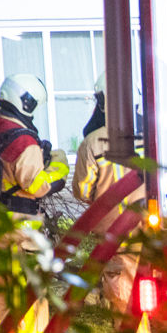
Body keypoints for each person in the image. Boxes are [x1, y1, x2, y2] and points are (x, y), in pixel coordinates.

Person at [0, 73, 70, 333]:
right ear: (26, 103)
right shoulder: (22, 141)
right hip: (20, 231)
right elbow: (37, 185)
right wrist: (58, 165)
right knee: (30, 294)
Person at [72, 74, 144, 313]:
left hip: (114, 236)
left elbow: (83, 191)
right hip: (152, 232)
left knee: (125, 304)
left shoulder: (92, 143)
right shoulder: (155, 136)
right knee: (166, 301)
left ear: (103, 101)